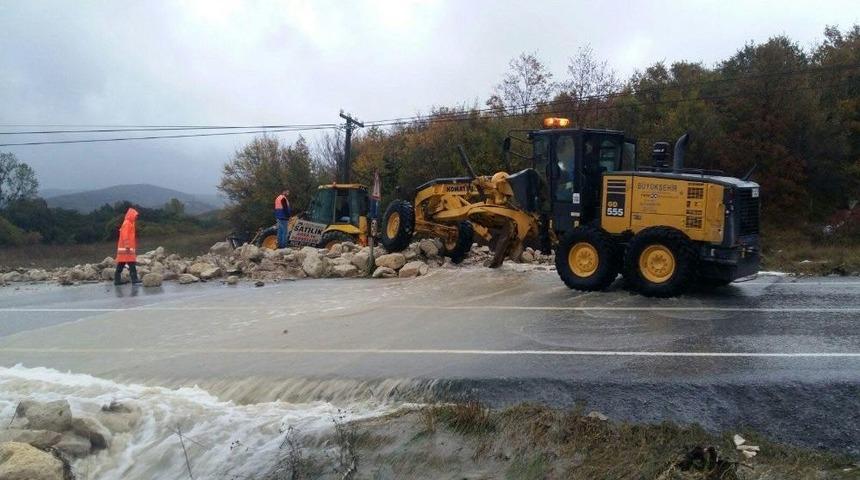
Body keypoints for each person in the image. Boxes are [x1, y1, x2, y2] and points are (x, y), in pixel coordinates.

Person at [114, 207, 141, 285]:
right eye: (135, 216)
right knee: (131, 263)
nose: (136, 217)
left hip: (125, 248)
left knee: (121, 263)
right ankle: (134, 279)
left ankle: (117, 280)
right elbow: (125, 235)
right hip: (126, 248)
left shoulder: (129, 223)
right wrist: (127, 245)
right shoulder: (127, 223)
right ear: (131, 215)